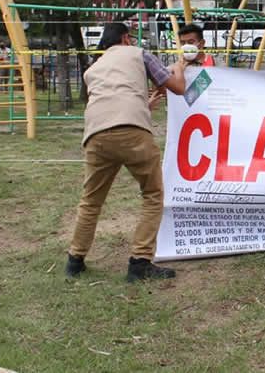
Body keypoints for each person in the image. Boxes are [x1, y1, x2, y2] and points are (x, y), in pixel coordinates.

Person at [66, 23, 187, 282]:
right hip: (133, 132)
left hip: (96, 135)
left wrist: (143, 104)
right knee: (153, 194)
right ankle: (140, 263)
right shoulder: (139, 53)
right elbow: (177, 87)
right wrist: (180, 67)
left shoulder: (92, 70)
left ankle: (75, 260)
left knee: (90, 201)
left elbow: (109, 99)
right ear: (125, 38)